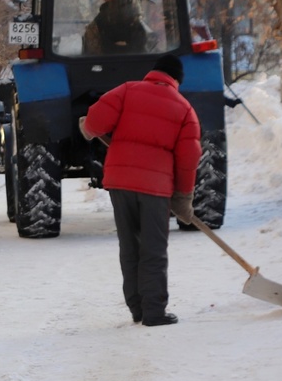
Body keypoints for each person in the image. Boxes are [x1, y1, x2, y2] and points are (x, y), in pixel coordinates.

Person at [79, 53, 201, 326]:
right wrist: (183, 198)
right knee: (154, 249)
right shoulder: (184, 110)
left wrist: (87, 127)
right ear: (177, 80)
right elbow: (188, 159)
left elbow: (96, 122)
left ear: (154, 72)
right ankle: (154, 312)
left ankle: (137, 309)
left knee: (129, 246)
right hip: (155, 189)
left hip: (120, 183)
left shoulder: (127, 90)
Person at [83, 0, 149, 55]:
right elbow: (142, 40)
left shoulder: (105, 14)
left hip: (108, 60)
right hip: (135, 60)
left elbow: (92, 40)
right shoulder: (135, 12)